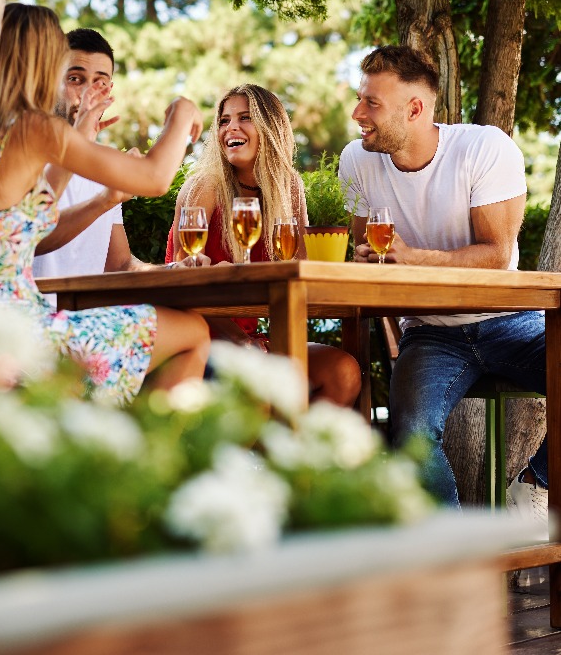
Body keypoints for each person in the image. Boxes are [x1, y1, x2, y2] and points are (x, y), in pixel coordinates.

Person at [0, 3, 210, 403]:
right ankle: (147, 458)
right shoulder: (37, 128)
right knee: (193, 332)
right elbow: (155, 178)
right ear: (44, 61)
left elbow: (35, 220)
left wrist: (82, 132)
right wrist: (182, 114)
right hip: (15, 334)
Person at [338, 45, 548, 533]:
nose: (357, 114)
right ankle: (454, 555)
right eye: (359, 99)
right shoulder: (357, 161)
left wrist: (414, 258)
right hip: (432, 333)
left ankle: (536, 483)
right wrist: (372, 261)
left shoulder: (484, 149)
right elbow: (365, 248)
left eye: (372, 103)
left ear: (415, 109)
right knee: (410, 433)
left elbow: (496, 256)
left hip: (508, 320)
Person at [167, 83, 362, 408]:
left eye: (245, 118)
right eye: (224, 120)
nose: (231, 128)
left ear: (270, 128)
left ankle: (294, 457)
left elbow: (298, 274)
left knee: (344, 371)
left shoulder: (289, 188)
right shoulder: (205, 185)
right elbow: (183, 285)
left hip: (255, 339)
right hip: (202, 338)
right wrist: (242, 341)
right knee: (260, 380)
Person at [33, 28, 204, 281]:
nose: (87, 94)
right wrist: (183, 109)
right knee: (192, 323)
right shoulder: (30, 146)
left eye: (99, 83)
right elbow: (31, 237)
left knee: (194, 318)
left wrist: (171, 270)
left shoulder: (105, 166)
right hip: (33, 313)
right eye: (75, 80)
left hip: (86, 313)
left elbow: (121, 263)